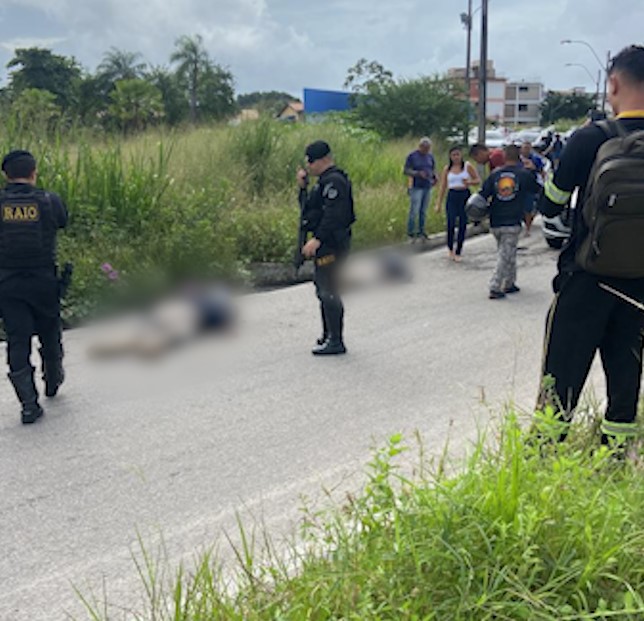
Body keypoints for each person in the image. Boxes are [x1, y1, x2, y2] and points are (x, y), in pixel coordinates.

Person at [538, 45, 644, 446]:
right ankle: (616, 453)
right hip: (639, 284)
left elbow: (551, 203)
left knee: (560, 376)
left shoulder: (590, 138)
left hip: (586, 279)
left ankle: (544, 456)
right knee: (626, 376)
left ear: (613, 83)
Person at [0, 150, 68, 423]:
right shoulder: (49, 201)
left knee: (18, 339)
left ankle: (29, 404)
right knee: (50, 329)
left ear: (6, 175)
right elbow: (63, 222)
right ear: (33, 172)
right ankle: (53, 378)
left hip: (7, 284)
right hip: (43, 281)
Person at [296, 141, 356, 355]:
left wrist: (318, 239)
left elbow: (334, 215)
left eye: (311, 162)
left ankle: (336, 341)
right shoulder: (322, 182)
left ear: (322, 160)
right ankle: (328, 334)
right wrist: (302, 188)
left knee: (328, 289)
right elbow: (307, 210)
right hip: (327, 243)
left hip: (333, 244)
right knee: (323, 288)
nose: (309, 166)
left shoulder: (334, 182)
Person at [468, 145, 541, 299]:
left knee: (509, 252)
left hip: (495, 220)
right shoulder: (523, 174)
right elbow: (537, 189)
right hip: (512, 220)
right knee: (505, 255)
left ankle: (509, 282)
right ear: (519, 156)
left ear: (504, 156)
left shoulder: (495, 174)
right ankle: (495, 286)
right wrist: (533, 170)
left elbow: (481, 196)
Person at [435, 146, 481, 261]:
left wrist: (469, 182)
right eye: (453, 155)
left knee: (462, 224)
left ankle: (458, 250)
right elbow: (443, 186)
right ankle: (450, 248)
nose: (456, 157)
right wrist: (438, 203)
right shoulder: (447, 169)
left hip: (464, 194)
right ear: (450, 157)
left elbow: (477, 180)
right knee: (450, 223)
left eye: (458, 155)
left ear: (461, 156)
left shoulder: (467, 166)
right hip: (452, 195)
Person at [403, 137, 436, 241]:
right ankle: (411, 232)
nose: (426, 150)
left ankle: (422, 232)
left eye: (428, 148)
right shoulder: (412, 156)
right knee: (414, 210)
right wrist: (417, 173)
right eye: (425, 148)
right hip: (416, 186)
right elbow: (406, 170)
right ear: (420, 146)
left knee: (423, 211)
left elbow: (432, 168)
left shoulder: (430, 156)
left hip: (427, 185)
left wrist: (435, 177)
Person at [519, 141, 546, 236]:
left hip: (531, 185)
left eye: (528, 148)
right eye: (524, 148)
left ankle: (528, 229)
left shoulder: (535, 159)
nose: (526, 150)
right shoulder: (517, 159)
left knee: (528, 208)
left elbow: (541, 171)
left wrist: (544, 181)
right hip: (519, 186)